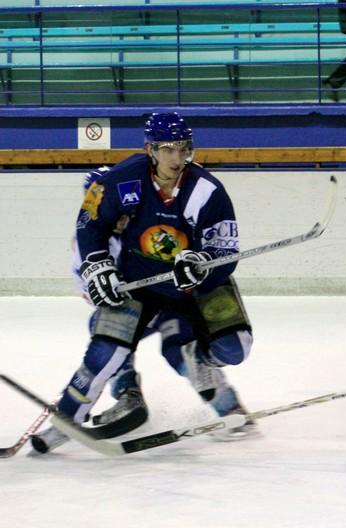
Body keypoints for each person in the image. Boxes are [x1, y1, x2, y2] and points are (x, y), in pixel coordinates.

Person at [31, 113, 255, 453]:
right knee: (105, 349)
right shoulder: (123, 179)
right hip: (139, 283)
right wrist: (97, 265)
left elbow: (224, 250)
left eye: (182, 148)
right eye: (167, 150)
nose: (176, 158)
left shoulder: (207, 191)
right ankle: (68, 420)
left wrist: (203, 262)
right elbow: (90, 223)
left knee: (235, 346)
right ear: (150, 150)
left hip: (195, 285)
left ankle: (204, 368)